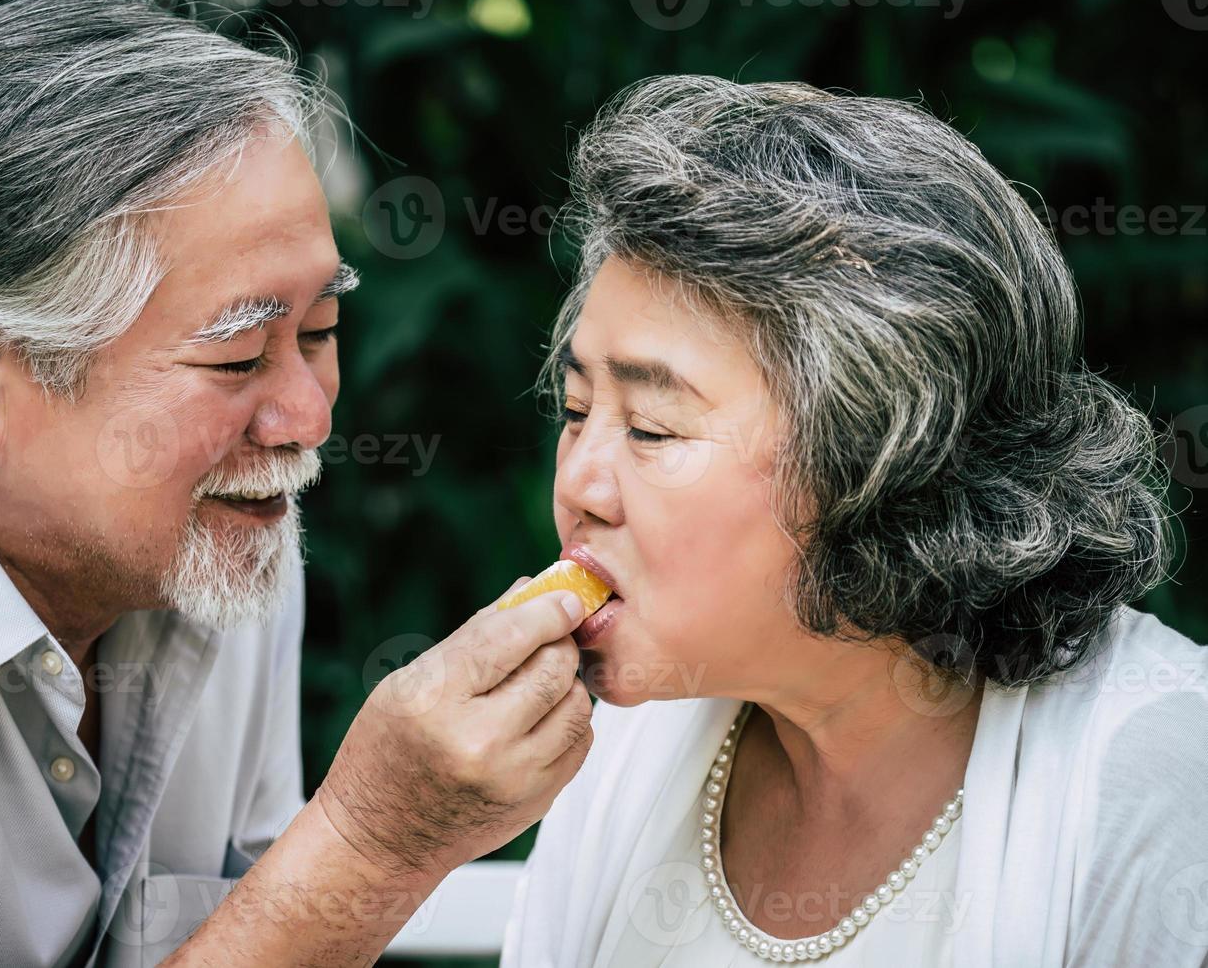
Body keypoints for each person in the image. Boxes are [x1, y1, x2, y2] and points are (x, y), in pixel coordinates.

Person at [0, 0, 594, 966]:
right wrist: (369, 843)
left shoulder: (214, 536)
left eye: (319, 334)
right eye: (236, 359)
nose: (308, 417)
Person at [501, 75, 1208, 967]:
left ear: (880, 460)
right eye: (574, 410)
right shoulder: (611, 752)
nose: (580, 485)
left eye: (651, 428)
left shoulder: (1160, 774)